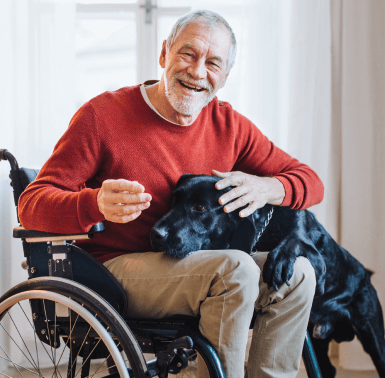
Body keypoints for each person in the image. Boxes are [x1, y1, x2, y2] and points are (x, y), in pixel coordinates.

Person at [19, 10, 324, 378]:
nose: (197, 72)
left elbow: (311, 182)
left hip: (195, 266)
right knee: (237, 267)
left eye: (213, 63)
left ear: (224, 76)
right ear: (164, 54)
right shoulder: (103, 115)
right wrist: (94, 202)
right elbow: (31, 204)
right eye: (187, 54)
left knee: (300, 273)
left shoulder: (229, 125)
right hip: (116, 270)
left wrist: (268, 186)